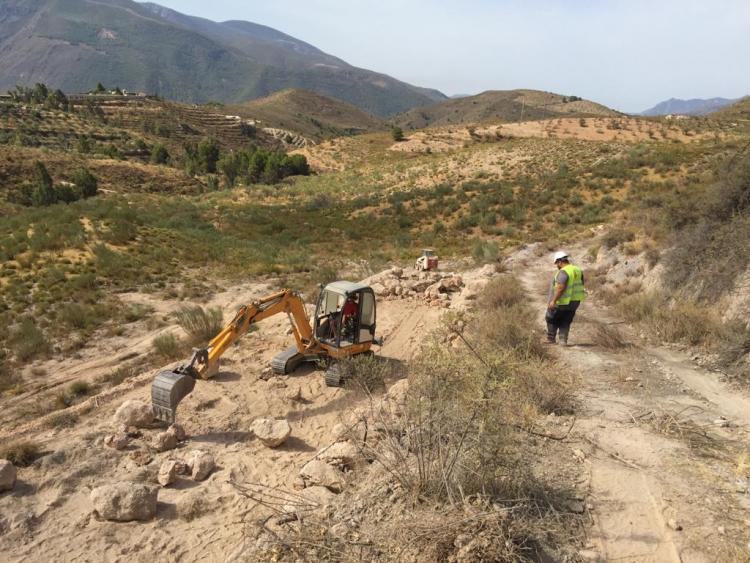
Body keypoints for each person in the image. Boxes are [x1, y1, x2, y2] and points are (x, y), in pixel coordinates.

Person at [546, 251, 585, 346]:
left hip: (562, 302)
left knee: (551, 318)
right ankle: (563, 341)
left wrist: (553, 301)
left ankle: (551, 339)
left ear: (560, 262)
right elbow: (581, 283)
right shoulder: (577, 270)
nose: (556, 266)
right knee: (566, 320)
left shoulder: (563, 271)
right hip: (575, 301)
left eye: (556, 263)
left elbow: (560, 288)